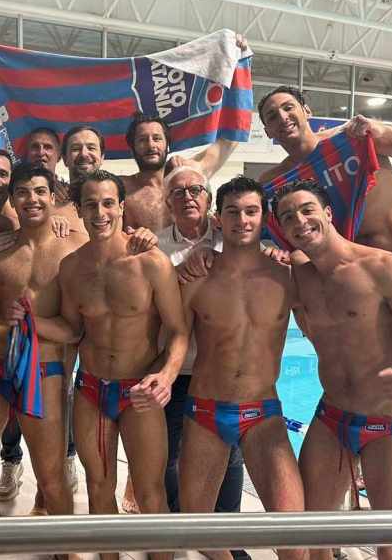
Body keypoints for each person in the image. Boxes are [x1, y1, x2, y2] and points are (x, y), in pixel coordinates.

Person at [254, 86, 392, 508]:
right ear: (266, 130)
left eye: (288, 107)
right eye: (271, 115)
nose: (282, 117)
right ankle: (361, 456)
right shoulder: (276, 183)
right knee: (352, 352)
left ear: (306, 110)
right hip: (350, 271)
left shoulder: (350, 138)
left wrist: (382, 131)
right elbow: (253, 225)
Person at [273, 181, 392, 560]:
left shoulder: (387, 268)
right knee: (312, 537)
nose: (300, 221)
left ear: (328, 213)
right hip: (331, 419)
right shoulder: (299, 275)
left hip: (389, 426)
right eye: (288, 217)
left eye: (307, 210)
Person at [59, 170, 188, 560]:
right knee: (98, 489)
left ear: (121, 207)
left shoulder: (151, 263)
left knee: (150, 493)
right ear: (79, 210)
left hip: (139, 392)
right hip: (91, 390)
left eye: (107, 203)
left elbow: (178, 331)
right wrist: (28, 319)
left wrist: (166, 375)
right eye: (90, 204)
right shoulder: (71, 268)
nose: (99, 213)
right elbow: (72, 330)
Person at [180, 177, 305, 560]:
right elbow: (174, 340)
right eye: (232, 212)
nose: (242, 220)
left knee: (295, 535)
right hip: (205, 410)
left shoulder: (287, 275)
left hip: (262, 412)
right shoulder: (195, 275)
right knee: (197, 528)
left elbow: (330, 328)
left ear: (265, 217)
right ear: (217, 219)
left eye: (251, 211)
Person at [0, 163, 89, 518]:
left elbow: (77, 328)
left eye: (40, 192)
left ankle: (65, 545)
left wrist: (33, 322)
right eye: (23, 193)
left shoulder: (74, 250)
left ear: (53, 197)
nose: (32, 199)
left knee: (52, 480)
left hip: (45, 372)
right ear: (12, 200)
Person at [154, 165, 247, 540]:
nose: (187, 197)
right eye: (178, 192)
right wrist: (178, 275)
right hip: (175, 368)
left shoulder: (234, 237)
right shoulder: (156, 247)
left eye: (195, 190)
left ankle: (228, 533)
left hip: (223, 370)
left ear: (209, 199)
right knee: (166, 452)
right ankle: (179, 523)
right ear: (167, 203)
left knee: (230, 451)